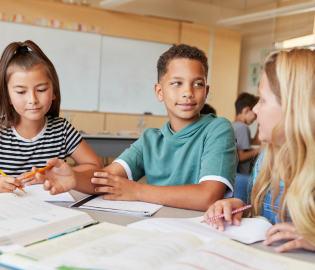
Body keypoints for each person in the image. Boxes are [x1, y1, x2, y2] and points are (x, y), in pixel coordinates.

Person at [32, 44, 238, 211]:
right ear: (159, 92)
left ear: (206, 91)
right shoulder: (151, 139)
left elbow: (208, 196)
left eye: (198, 84)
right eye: (176, 83)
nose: (188, 92)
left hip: (201, 231)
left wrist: (138, 191)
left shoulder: (218, 129)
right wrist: (74, 178)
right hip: (157, 227)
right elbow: (106, 179)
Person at [204, 48, 315, 253]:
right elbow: (262, 218)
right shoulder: (267, 159)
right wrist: (239, 207)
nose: (255, 110)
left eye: (262, 100)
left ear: (293, 108)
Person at [0, 40, 103, 193]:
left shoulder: (62, 129)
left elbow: (96, 167)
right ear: (8, 96)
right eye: (21, 92)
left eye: (41, 89)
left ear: (54, 91)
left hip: (52, 211)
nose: (33, 99)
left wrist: (61, 176)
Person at [232, 92, 261, 175]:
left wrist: (260, 123)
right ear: (246, 110)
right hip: (243, 175)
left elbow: (254, 143)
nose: (255, 118)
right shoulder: (242, 127)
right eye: (255, 115)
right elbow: (241, 157)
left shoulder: (232, 125)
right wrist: (263, 148)